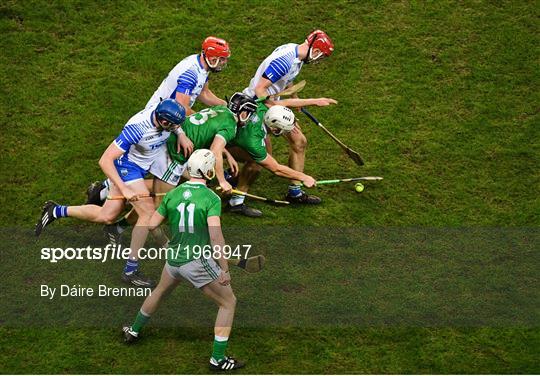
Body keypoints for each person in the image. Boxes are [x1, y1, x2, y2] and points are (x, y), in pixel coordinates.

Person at [34, 99, 187, 288]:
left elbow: (177, 122)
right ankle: (130, 270)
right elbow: (105, 160)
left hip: (143, 166)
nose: (175, 127)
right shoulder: (137, 128)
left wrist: (180, 133)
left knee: (107, 216)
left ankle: (55, 211)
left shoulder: (166, 118)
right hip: (127, 168)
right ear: (163, 122)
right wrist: (124, 189)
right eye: (173, 125)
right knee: (147, 212)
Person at [122, 149, 245, 371]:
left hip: (174, 260)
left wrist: (166, 245)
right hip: (196, 262)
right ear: (208, 171)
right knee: (228, 302)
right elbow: (216, 237)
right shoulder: (211, 198)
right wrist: (224, 270)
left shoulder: (172, 194)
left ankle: (134, 329)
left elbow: (152, 225)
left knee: (159, 292)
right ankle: (217, 359)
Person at [85, 36, 231, 204]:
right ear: (211, 57)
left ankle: (103, 190)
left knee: (151, 160)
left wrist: (223, 106)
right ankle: (107, 192)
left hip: (172, 119)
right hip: (163, 120)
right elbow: (182, 108)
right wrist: (204, 120)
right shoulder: (190, 73)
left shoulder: (202, 66)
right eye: (221, 59)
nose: (222, 63)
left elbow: (204, 93)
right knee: (151, 158)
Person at [243, 29, 337, 204]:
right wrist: (287, 106)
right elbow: (259, 89)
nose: (320, 61)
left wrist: (295, 100)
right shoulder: (284, 61)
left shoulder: (298, 55)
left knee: (299, 141)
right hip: (257, 106)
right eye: (321, 56)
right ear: (315, 51)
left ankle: (295, 192)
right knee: (259, 158)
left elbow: (288, 79)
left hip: (273, 105)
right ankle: (234, 193)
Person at [226, 104, 317, 217]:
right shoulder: (253, 142)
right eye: (284, 130)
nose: (286, 132)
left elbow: (285, 102)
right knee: (256, 162)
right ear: (274, 129)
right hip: (214, 146)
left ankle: (233, 184)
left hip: (226, 136)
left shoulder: (263, 110)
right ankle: (235, 203)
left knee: (259, 158)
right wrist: (304, 177)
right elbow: (276, 169)